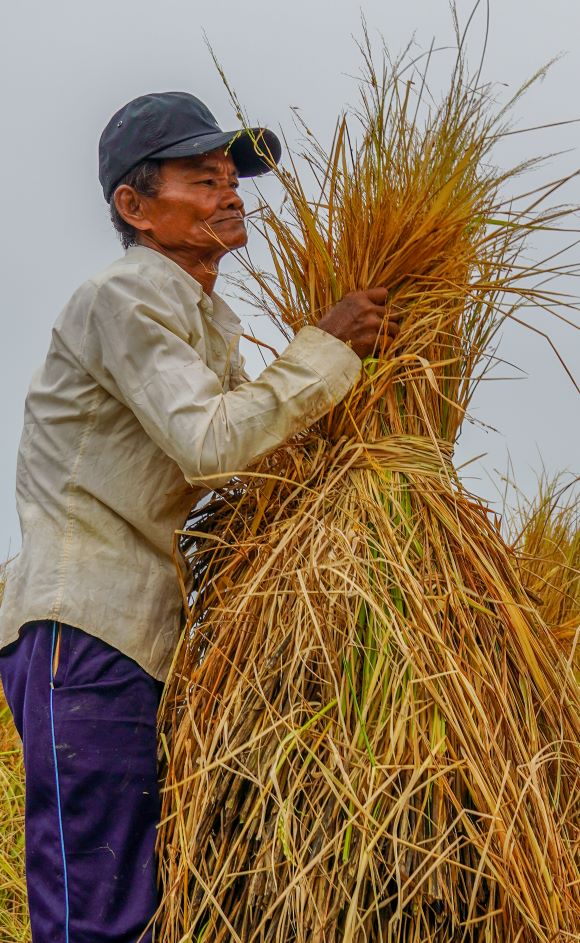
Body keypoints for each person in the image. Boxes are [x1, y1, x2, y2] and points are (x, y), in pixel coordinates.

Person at [0, 91, 402, 942]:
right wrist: (323, 346)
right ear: (135, 207)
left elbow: (230, 463)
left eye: (231, 179)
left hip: (133, 634)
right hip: (87, 628)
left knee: (141, 901)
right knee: (96, 904)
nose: (230, 195)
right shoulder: (126, 297)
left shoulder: (199, 316)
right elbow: (210, 445)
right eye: (202, 178)